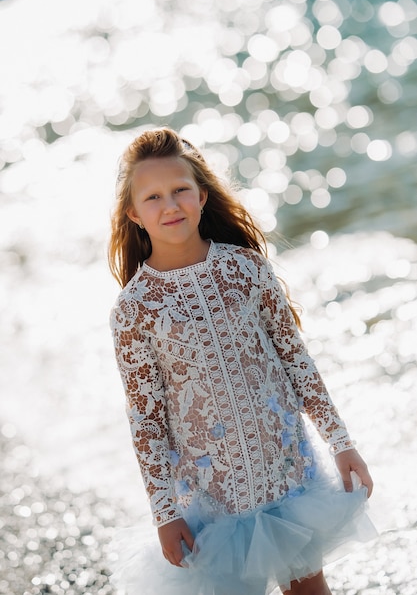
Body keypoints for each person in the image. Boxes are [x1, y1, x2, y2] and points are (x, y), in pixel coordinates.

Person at [108, 127, 376, 595]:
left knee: (310, 588)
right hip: (213, 492)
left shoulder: (245, 267)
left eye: (180, 191)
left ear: (202, 195)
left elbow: (296, 359)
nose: (170, 205)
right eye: (153, 197)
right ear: (133, 213)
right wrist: (165, 513)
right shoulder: (135, 309)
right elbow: (146, 420)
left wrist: (341, 442)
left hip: (286, 469)